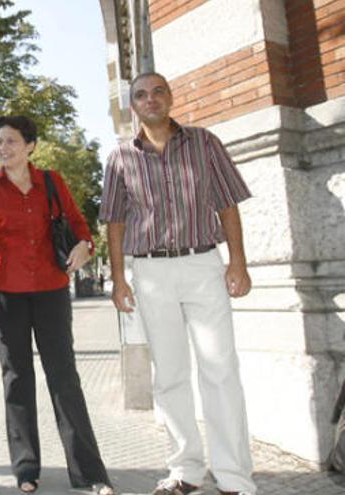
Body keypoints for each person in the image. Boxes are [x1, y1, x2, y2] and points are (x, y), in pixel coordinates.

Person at [100, 72, 256, 495]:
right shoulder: (119, 158)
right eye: (140, 95)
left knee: (220, 369)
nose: (150, 99)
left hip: (203, 265)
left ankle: (234, 478)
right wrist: (118, 279)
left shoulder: (205, 143)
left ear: (170, 98)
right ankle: (185, 470)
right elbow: (114, 222)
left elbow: (227, 205)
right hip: (150, 274)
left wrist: (237, 261)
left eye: (157, 92)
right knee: (169, 374)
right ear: (133, 105)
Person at [0, 115, 115, 495]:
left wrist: (87, 246)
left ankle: (89, 474)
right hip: (6, 296)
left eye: (11, 141)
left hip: (51, 291)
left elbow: (82, 228)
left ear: (30, 145)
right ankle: (26, 469)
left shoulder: (52, 181)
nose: (4, 149)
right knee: (17, 380)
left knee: (64, 377)